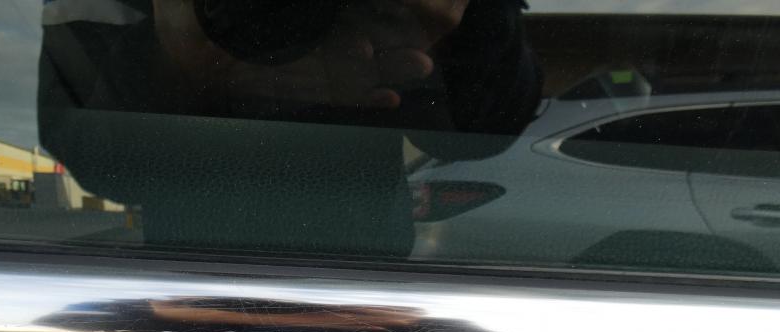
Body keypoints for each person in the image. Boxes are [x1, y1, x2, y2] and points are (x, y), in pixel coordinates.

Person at [38, 0, 542, 256]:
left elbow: (485, 125)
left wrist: (467, 25)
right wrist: (174, 64)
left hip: (366, 287)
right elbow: (92, 156)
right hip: (186, 291)